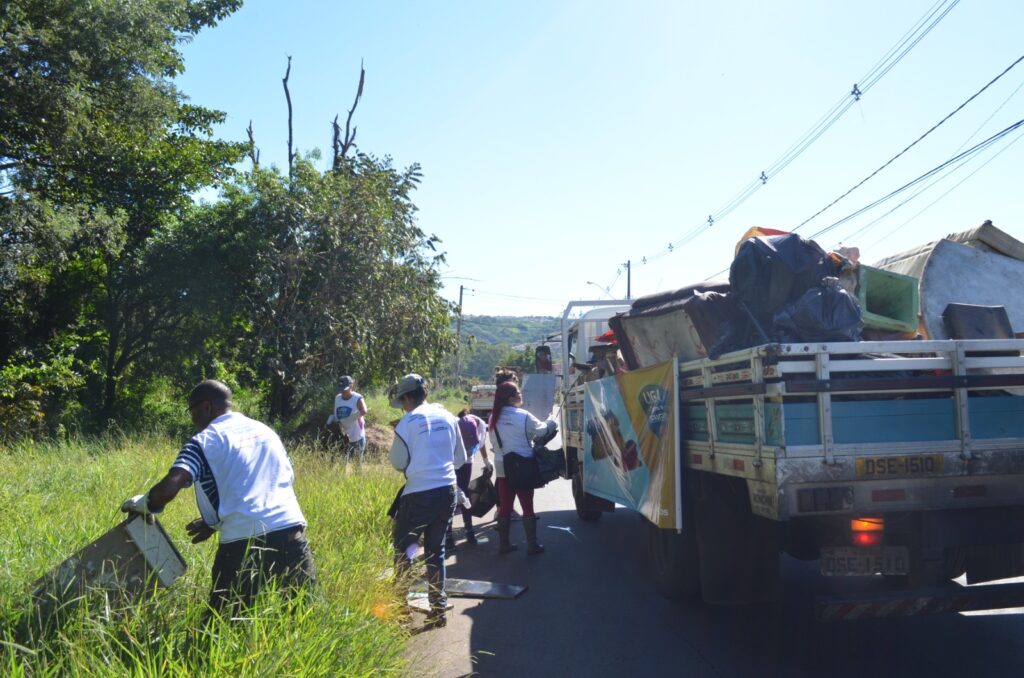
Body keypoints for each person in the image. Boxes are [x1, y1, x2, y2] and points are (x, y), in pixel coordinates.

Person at [121, 380, 315, 616]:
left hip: (241, 544)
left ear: (206, 407)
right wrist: (214, 523)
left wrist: (144, 504)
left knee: (223, 624)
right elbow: (275, 480)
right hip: (290, 533)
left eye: (192, 413)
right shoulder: (266, 432)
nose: (193, 421)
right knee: (301, 616)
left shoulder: (204, 442)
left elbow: (169, 488)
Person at [388, 373, 466, 629]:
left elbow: (399, 463)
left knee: (404, 550)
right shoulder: (448, 417)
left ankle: (402, 609)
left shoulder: (407, 423)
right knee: (436, 550)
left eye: (403, 401)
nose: (403, 406)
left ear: (408, 398)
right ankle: (438, 609)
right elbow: (460, 459)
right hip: (447, 491)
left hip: (419, 494)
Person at [488, 381, 556, 555]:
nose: (521, 395)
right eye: (519, 393)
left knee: (505, 506)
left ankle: (504, 544)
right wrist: (551, 423)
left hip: (502, 466)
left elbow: (494, 443)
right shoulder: (524, 416)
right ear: (511, 398)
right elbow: (541, 431)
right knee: (527, 506)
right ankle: (532, 546)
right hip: (523, 466)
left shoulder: (493, 417)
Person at [445, 408, 493, 549]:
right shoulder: (453, 426)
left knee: (465, 495)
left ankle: (469, 532)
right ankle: (448, 537)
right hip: (453, 460)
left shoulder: (480, 425)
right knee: (451, 497)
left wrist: (486, 459)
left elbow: (482, 442)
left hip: (467, 461)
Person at [326, 375, 368, 462]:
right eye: (341, 389)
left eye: (345, 389)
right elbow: (335, 414)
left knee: (357, 466)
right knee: (342, 464)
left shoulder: (357, 398)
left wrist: (347, 420)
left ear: (351, 386)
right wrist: (330, 420)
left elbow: (364, 411)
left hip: (357, 437)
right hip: (342, 438)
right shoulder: (337, 398)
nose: (343, 392)